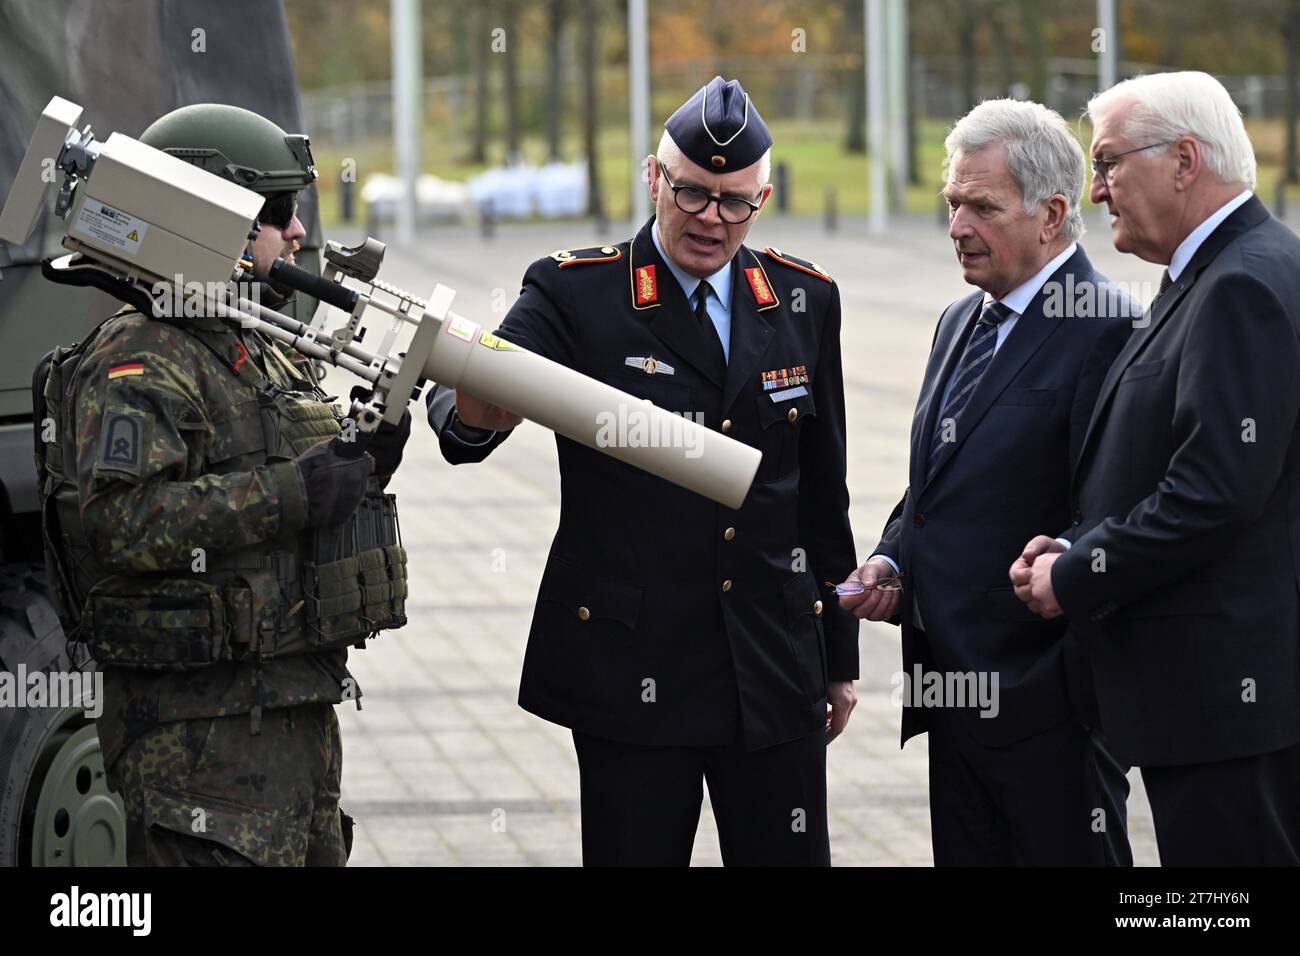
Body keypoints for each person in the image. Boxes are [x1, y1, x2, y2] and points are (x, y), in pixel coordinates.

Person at [427, 77, 858, 866]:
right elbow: (474, 408)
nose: (711, 221)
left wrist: (840, 657)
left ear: (762, 199)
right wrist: (462, 401)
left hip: (770, 664)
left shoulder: (803, 299)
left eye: (736, 203)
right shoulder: (575, 291)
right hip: (636, 672)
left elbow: (823, 496)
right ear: (653, 178)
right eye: (693, 194)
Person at [56, 104, 410, 866]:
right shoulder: (140, 358)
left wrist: (368, 461)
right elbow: (121, 520)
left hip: (292, 722)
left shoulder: (255, 345)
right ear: (207, 217)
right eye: (277, 213)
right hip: (197, 751)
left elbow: (296, 480)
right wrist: (293, 491)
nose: (299, 236)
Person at [1012, 71, 1300, 865]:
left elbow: (1214, 494)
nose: (1096, 191)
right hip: (1215, 700)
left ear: (1182, 160)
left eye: (1106, 164)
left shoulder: (1241, 283)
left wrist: (1076, 576)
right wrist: (1077, 544)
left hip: (1229, 703)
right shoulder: (1212, 276)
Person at [839, 99, 1133, 866]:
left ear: (1053, 214)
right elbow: (937, 485)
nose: (957, 226)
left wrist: (1055, 682)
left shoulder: (1109, 329)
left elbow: (1112, 512)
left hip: (1048, 715)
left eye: (982, 207)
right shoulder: (957, 320)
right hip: (954, 700)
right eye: (951, 204)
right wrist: (893, 559)